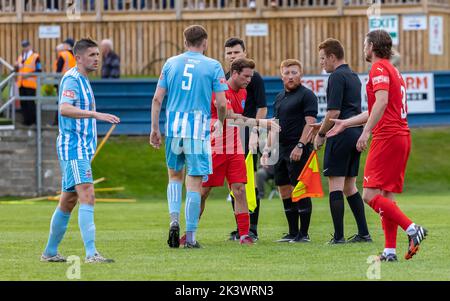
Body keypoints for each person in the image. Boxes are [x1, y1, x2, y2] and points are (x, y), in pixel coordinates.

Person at [326, 30, 428, 261]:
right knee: (386, 196)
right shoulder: (394, 70)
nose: (363, 49)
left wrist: (365, 132)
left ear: (371, 46)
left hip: (388, 137)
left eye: (364, 44)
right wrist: (346, 123)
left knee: (369, 195)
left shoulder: (379, 68)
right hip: (401, 136)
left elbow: (381, 103)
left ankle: (413, 229)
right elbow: (376, 108)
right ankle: (389, 251)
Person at [41, 38, 120, 263]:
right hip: (73, 148)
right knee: (88, 194)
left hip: (81, 149)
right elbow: (64, 109)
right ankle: (91, 253)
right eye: (92, 55)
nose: (97, 58)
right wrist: (96, 115)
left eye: (98, 54)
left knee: (68, 200)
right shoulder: (72, 79)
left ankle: (49, 252)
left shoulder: (84, 80)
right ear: (78, 58)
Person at [149, 25, 228, 249]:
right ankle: (190, 237)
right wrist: (220, 123)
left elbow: (157, 99)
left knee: (174, 178)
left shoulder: (170, 63)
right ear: (205, 42)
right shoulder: (213, 65)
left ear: (185, 42)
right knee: (194, 183)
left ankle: (174, 221)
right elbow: (221, 103)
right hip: (197, 131)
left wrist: (155, 128)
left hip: (174, 130)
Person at [197, 58, 278, 245]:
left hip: (235, 148)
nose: (249, 80)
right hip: (215, 147)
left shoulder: (243, 92)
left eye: (251, 76)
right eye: (246, 76)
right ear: (234, 73)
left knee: (240, 190)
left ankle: (244, 235)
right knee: (203, 192)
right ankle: (190, 232)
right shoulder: (221, 89)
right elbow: (231, 118)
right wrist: (262, 123)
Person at [313, 38, 372, 244]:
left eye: (322, 59)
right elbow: (348, 109)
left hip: (340, 134)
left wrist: (320, 134)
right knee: (350, 186)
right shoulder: (353, 75)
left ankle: (338, 237)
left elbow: (335, 111)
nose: (321, 63)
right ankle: (364, 233)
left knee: (335, 186)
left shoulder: (336, 76)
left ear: (332, 56)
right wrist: (322, 125)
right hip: (354, 133)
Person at [261, 59, 318, 243]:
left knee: (299, 190)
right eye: (287, 73)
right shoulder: (279, 97)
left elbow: (310, 124)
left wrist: (301, 145)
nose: (290, 76)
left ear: (300, 74)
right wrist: (267, 149)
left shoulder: (307, 95)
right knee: (284, 190)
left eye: (294, 72)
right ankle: (292, 232)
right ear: (281, 76)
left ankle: (304, 234)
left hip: (297, 149)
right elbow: (275, 125)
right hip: (280, 150)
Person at [223, 37, 267, 241]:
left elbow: (262, 107)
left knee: (249, 183)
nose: (233, 56)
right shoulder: (225, 78)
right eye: (229, 53)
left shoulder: (253, 78)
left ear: (244, 52)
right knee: (235, 185)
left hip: (247, 134)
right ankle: (240, 228)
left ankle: (253, 229)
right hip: (229, 135)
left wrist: (256, 133)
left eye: (236, 52)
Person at [15, 39, 42, 126]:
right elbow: (17, 69)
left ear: (30, 46)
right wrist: (16, 66)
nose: (25, 48)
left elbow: (39, 70)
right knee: (23, 103)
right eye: (23, 46)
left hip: (30, 84)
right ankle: (26, 121)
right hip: (21, 83)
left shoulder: (35, 56)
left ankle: (33, 121)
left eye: (26, 46)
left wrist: (29, 75)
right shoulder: (20, 56)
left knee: (30, 103)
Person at [53, 38, 77, 125]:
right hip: (73, 82)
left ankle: (57, 122)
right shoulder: (76, 55)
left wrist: (55, 83)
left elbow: (58, 70)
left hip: (62, 82)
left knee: (60, 103)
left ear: (67, 45)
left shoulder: (63, 54)